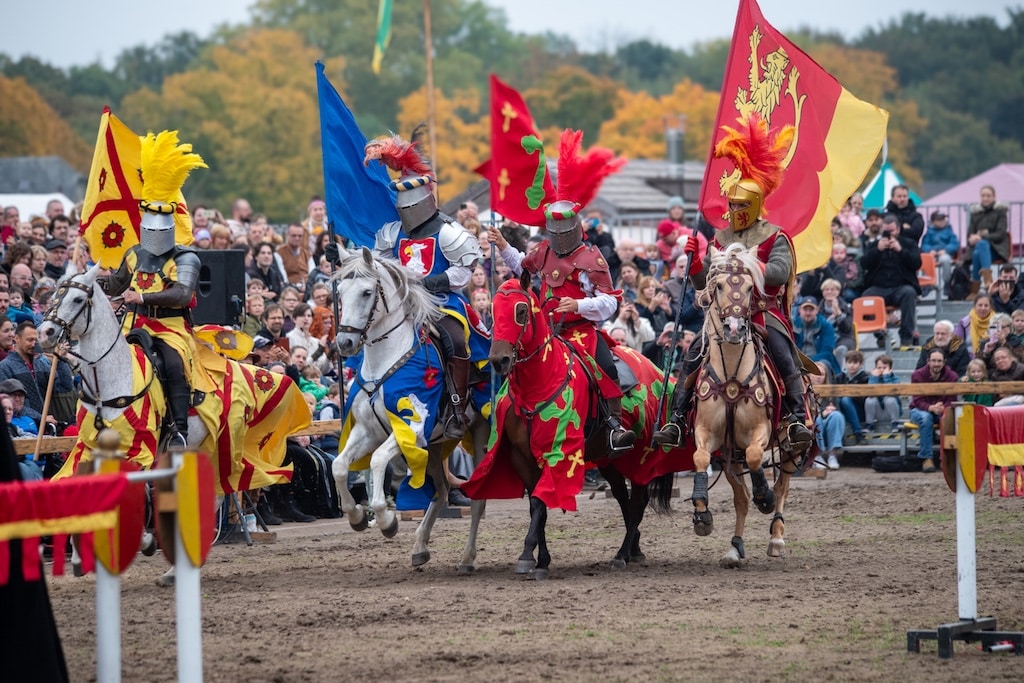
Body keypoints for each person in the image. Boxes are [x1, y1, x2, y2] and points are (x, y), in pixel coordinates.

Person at [654, 113, 813, 452]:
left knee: (783, 354)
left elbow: (779, 273)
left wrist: (744, 263)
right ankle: (677, 420)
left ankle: (796, 417)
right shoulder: (722, 237)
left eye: (742, 204)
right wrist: (696, 261)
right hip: (723, 311)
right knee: (695, 352)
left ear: (755, 204)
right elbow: (705, 281)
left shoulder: (775, 236)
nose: (735, 209)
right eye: (733, 203)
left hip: (762, 312)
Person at [487, 129, 636, 452]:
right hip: (545, 332)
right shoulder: (542, 250)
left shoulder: (591, 258)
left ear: (575, 227)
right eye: (553, 231)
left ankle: (613, 425)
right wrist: (503, 245)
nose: (558, 237)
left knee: (604, 367)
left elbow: (609, 302)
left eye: (562, 230)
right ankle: (508, 427)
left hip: (580, 332)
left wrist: (578, 306)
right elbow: (521, 267)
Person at [335, 133, 485, 441]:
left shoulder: (448, 232)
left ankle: (457, 406)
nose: (406, 211)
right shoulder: (392, 232)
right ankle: (364, 396)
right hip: (402, 303)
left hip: (441, 301)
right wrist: (343, 257)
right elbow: (374, 264)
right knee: (372, 331)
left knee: (455, 338)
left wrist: (430, 282)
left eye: (411, 205)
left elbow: (464, 271)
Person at [99, 133, 206, 448]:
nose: (156, 225)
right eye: (151, 217)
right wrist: (92, 278)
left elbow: (183, 295)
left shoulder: (185, 256)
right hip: (133, 323)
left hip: (170, 328)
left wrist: (142, 297)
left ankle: (178, 429)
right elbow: (117, 284)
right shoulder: (133, 253)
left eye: (162, 217)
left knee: (172, 363)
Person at [860, 213, 922, 347]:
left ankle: (906, 337)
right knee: (866, 298)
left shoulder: (909, 243)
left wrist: (900, 250)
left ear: (898, 229)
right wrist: (877, 250)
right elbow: (864, 264)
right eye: (886, 231)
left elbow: (916, 263)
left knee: (909, 293)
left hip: (900, 287)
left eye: (892, 231)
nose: (889, 234)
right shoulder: (874, 245)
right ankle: (880, 334)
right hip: (879, 288)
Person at [0, 321, 73, 422]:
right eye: (30, 340)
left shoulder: (41, 365)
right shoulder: (4, 367)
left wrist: (60, 361)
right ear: (16, 338)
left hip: (46, 425)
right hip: (21, 425)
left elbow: (64, 387)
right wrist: (40, 417)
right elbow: (6, 402)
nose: (34, 344)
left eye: (35, 340)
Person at [909, 348, 958, 473]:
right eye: (934, 361)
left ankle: (946, 458)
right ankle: (927, 458)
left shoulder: (952, 376)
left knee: (948, 417)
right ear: (928, 361)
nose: (936, 364)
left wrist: (942, 407)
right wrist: (931, 407)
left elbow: (951, 399)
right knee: (926, 418)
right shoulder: (917, 375)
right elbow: (917, 400)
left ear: (944, 362)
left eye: (939, 361)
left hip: (941, 409)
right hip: (919, 409)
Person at [965, 185, 1009, 299]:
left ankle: (975, 290)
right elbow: (970, 234)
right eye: (983, 195)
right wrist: (972, 239)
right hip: (979, 249)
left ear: (994, 197)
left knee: (982, 245)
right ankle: (987, 281)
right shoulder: (975, 213)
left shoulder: (1000, 212)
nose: (985, 198)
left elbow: (1001, 233)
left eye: (988, 195)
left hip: (997, 248)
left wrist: (983, 237)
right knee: (977, 251)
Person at [808, 361, 844, 470]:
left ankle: (832, 455)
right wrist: (821, 412)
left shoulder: (831, 391)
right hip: (814, 422)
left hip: (828, 421)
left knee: (836, 416)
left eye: (822, 374)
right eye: (815, 373)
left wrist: (830, 411)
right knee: (816, 418)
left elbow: (835, 407)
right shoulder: (804, 390)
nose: (818, 377)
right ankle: (817, 455)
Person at [793, 296, 839, 376]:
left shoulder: (826, 326)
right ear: (799, 310)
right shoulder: (793, 325)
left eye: (811, 310)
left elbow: (827, 352)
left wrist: (809, 363)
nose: (808, 313)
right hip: (798, 360)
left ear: (817, 310)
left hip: (819, 360)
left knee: (822, 367)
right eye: (805, 309)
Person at [834, 349, 869, 445]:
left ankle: (858, 433)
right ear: (845, 363)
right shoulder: (839, 377)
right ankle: (840, 435)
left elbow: (865, 400)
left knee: (846, 399)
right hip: (842, 409)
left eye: (855, 362)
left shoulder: (865, 378)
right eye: (849, 362)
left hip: (860, 410)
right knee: (838, 400)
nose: (852, 365)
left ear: (861, 364)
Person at [919, 211, 960, 290]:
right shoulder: (928, 233)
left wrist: (946, 250)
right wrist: (930, 250)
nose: (942, 221)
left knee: (945, 260)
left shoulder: (949, 232)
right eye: (939, 220)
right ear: (933, 222)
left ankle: (947, 282)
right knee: (925, 260)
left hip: (944, 254)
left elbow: (954, 244)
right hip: (932, 254)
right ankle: (927, 284)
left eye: (943, 219)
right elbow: (924, 245)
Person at [864, 354, 901, 433]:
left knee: (890, 399)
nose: (881, 370)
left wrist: (886, 377)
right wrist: (875, 378)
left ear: (890, 369)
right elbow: (870, 393)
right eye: (879, 368)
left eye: (884, 368)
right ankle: (869, 424)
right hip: (878, 411)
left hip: (891, 411)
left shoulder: (896, 379)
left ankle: (895, 423)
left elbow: (892, 392)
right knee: (870, 400)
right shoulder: (873, 378)